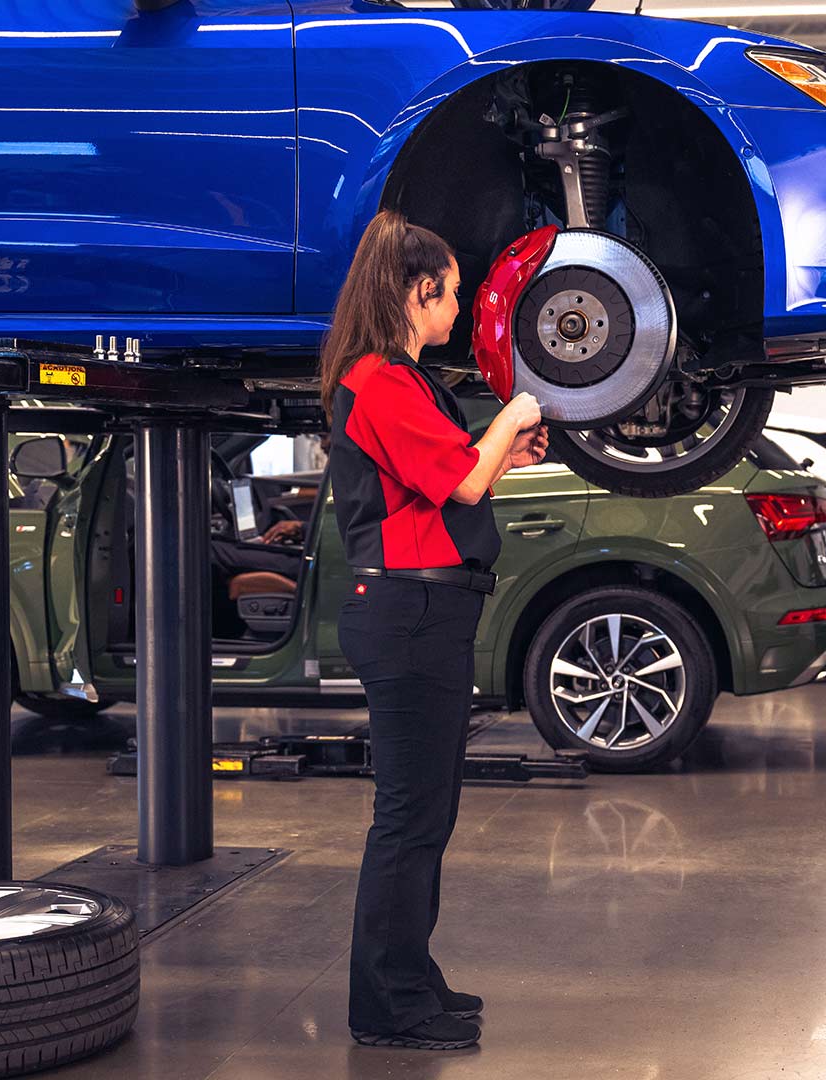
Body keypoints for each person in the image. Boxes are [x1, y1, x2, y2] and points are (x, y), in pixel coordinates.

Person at [321, 209, 548, 1051]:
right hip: (408, 614)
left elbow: (456, 475)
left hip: (429, 611)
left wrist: (505, 450)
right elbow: (459, 487)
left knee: (429, 815)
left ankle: (412, 977)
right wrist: (510, 412)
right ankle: (388, 1007)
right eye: (453, 295)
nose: (459, 309)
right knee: (410, 817)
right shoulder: (378, 379)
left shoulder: (406, 384)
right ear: (419, 294)